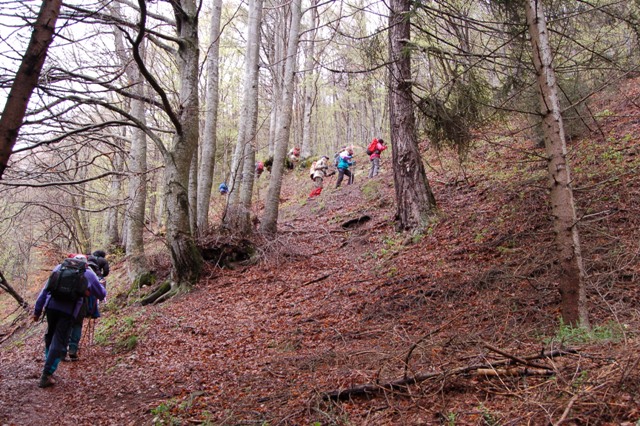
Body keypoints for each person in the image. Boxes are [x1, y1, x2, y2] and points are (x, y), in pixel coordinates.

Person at [32, 254, 106, 388]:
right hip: (69, 311)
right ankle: (47, 373)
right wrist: (96, 288)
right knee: (59, 340)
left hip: (51, 307)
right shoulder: (88, 273)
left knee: (50, 336)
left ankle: (48, 364)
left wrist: (37, 311)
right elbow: (101, 294)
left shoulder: (59, 268)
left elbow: (45, 290)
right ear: (85, 263)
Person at [66, 256, 103, 361]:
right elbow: (100, 292)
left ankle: (62, 350)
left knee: (66, 324)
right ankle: (73, 349)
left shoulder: (66, 270)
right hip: (81, 304)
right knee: (77, 325)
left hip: (66, 302)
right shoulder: (89, 273)